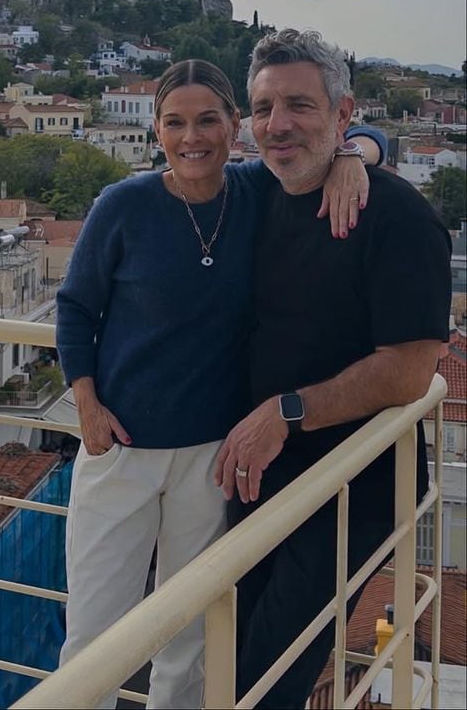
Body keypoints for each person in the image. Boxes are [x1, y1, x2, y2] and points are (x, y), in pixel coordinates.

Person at [55, 58, 385, 710]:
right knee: (95, 630)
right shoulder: (122, 206)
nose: (192, 137)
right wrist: (86, 404)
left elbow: (362, 133)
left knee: (190, 633)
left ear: (234, 125)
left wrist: (352, 155)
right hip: (118, 448)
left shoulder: (254, 189)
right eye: (174, 123)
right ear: (155, 131)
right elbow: (74, 308)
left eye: (208, 120)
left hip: (211, 455)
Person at [213, 29, 451, 709]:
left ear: (341, 115)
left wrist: (287, 411)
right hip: (259, 476)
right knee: (225, 651)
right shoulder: (255, 195)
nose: (277, 124)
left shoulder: (397, 218)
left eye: (299, 105)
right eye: (262, 109)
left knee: (267, 676)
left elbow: (409, 371)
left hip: (351, 491)